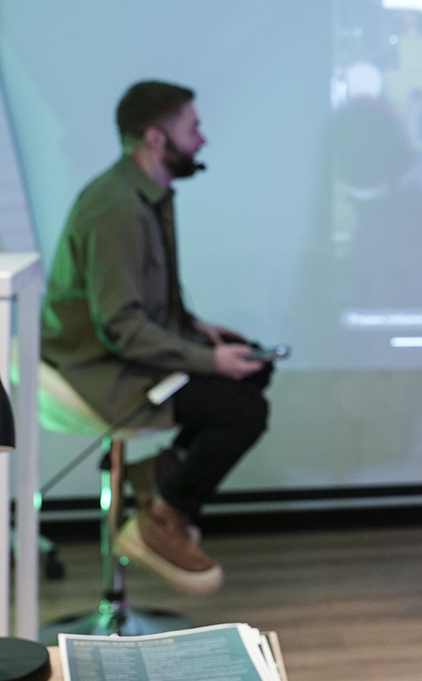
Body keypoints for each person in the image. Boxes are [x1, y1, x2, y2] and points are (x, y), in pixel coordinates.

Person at [41, 80, 272, 596]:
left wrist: (196, 330)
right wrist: (208, 361)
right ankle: (162, 515)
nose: (202, 140)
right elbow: (120, 327)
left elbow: (145, 300)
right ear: (155, 137)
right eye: (193, 129)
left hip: (124, 351)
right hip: (101, 368)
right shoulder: (117, 208)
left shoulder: (148, 196)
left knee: (255, 367)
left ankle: (157, 478)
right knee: (242, 408)